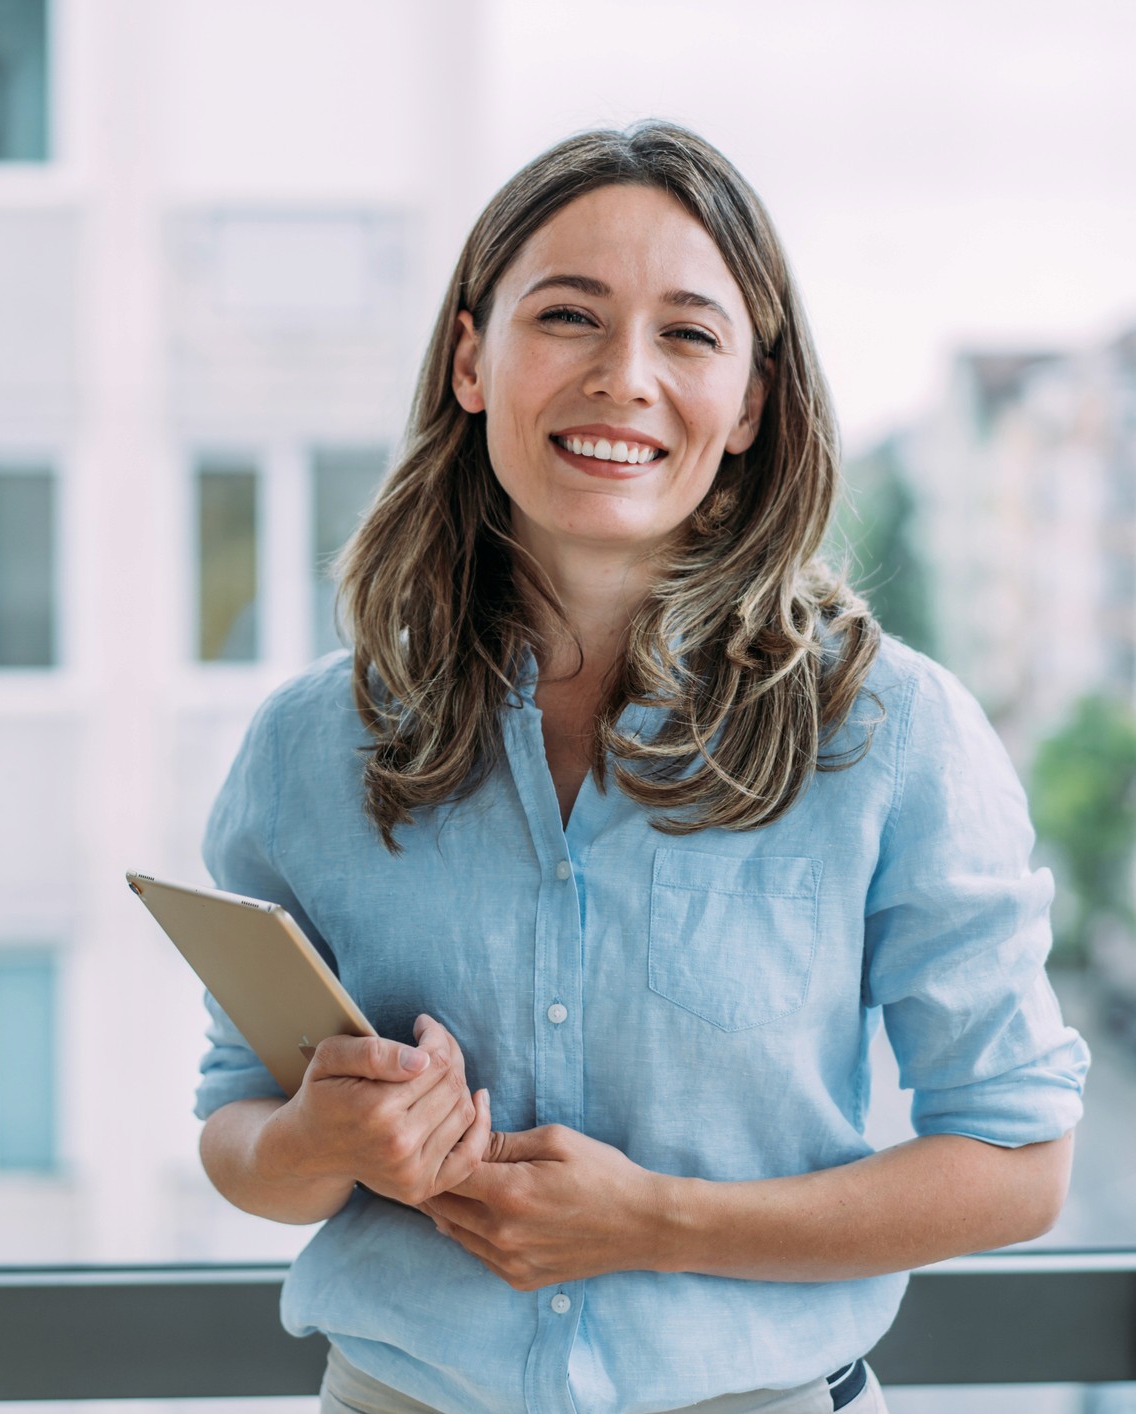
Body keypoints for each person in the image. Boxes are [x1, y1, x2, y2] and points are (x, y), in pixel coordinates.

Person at [192, 120, 1089, 1414]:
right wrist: (312, 1141)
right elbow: (239, 1130)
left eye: (687, 332)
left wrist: (655, 1220)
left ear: (749, 406)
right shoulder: (307, 745)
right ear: (469, 360)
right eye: (567, 316)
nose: (624, 376)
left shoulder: (892, 734)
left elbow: (1017, 1163)